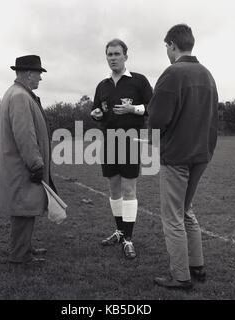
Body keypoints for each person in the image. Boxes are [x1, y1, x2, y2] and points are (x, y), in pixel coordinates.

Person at [148, 24, 218, 289]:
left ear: (172, 45)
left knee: (173, 216)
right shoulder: (207, 74)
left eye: (167, 46)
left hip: (176, 156)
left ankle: (180, 276)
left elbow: (156, 120)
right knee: (186, 210)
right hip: (202, 154)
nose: (167, 51)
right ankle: (197, 266)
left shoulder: (172, 73)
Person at [91, 39, 153, 259]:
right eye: (109, 54)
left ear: (126, 56)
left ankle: (128, 239)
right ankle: (119, 231)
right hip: (109, 140)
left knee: (129, 189)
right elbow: (96, 109)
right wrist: (95, 113)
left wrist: (133, 108)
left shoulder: (139, 81)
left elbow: (152, 107)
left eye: (117, 54)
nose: (113, 58)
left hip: (131, 140)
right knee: (114, 189)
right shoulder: (102, 85)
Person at [0, 55, 56, 264]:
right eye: (39, 73)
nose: (40, 78)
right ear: (29, 74)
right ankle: (20, 255)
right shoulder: (20, 96)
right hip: (23, 166)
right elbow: (25, 135)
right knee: (24, 208)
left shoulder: (16, 93)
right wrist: (36, 163)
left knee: (24, 208)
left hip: (18, 166)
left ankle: (23, 247)